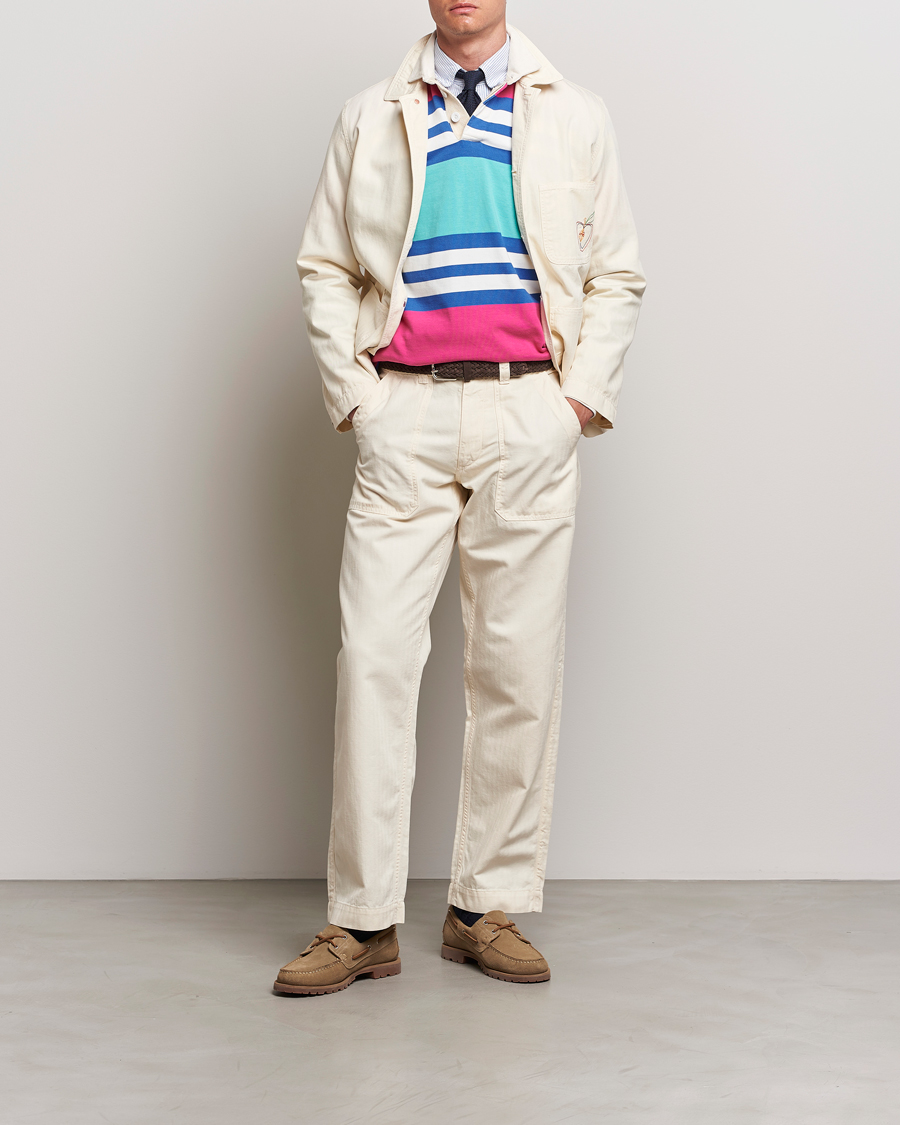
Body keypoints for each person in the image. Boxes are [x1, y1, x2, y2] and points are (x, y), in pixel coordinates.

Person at [274, 0, 645, 995]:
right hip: (405, 411)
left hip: (530, 409)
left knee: (516, 666)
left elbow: (615, 273)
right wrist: (359, 400)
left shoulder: (576, 113)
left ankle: (485, 907)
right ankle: (363, 921)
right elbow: (324, 265)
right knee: (374, 660)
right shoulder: (369, 114)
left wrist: (574, 402)